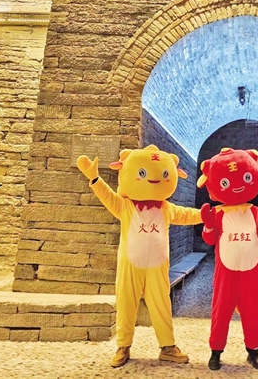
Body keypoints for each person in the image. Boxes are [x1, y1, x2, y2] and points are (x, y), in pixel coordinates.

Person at [77, 145, 202, 368]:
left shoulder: (166, 208)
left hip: (157, 266)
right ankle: (123, 346)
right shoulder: (125, 206)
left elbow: (187, 215)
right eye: (142, 173)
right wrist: (94, 178)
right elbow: (107, 196)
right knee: (126, 303)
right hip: (130, 264)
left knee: (162, 304)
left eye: (165, 174)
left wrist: (208, 215)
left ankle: (167, 347)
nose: (154, 179)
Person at [198, 148, 258, 371]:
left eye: (246, 178)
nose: (238, 186)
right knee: (221, 309)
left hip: (252, 270)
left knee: (253, 309)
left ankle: (253, 351)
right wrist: (208, 225)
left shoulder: (254, 211)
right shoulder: (219, 213)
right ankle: (215, 352)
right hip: (226, 271)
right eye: (225, 183)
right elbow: (210, 239)